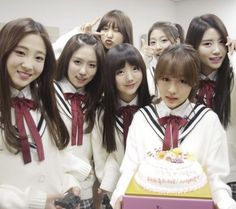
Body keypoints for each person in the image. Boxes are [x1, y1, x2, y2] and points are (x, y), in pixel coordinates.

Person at [110, 44, 236, 209]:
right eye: (165, 79)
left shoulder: (208, 121)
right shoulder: (142, 118)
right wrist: (120, 197)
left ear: (194, 83)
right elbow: (129, 170)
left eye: (182, 81)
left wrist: (223, 204)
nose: (172, 90)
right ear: (156, 78)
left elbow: (216, 178)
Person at [0, 17, 90, 209]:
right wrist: (28, 201)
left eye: (38, 58)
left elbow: (50, 155)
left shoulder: (44, 100)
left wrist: (67, 182)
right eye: (21, 53)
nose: (28, 65)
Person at [185, 13, 236, 201]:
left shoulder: (232, 79)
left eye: (222, 42)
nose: (217, 50)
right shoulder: (183, 83)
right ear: (193, 47)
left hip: (230, 174)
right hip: (192, 175)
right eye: (207, 44)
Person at [93, 43, 151, 205]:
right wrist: (112, 189)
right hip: (116, 194)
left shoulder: (154, 108)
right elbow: (101, 157)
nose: (130, 78)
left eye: (135, 69)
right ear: (110, 76)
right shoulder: (101, 112)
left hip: (151, 191)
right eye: (120, 72)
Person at [54, 33, 105, 209]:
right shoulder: (47, 94)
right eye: (77, 62)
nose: (84, 71)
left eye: (92, 65)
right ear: (66, 59)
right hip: (52, 187)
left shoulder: (96, 99)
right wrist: (80, 167)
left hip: (85, 190)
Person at [53, 9, 133, 58]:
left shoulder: (130, 58)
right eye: (105, 29)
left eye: (116, 30)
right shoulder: (93, 54)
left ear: (125, 34)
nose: (109, 35)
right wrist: (80, 34)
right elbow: (54, 52)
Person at [140, 21, 184, 96]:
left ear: (177, 42)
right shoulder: (148, 74)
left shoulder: (186, 70)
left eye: (164, 40)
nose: (158, 47)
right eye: (153, 42)